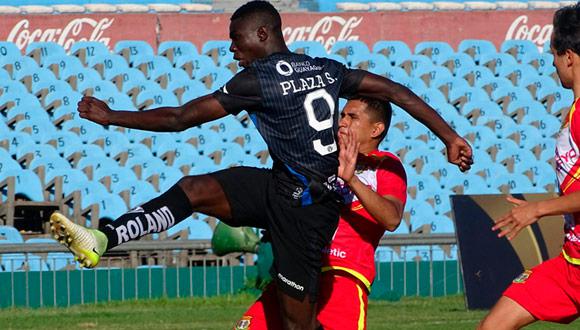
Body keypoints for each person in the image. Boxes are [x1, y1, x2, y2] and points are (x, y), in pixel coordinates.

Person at [50, 1, 472, 329]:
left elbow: (181, 119)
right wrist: (449, 137)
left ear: (263, 34)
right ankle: (104, 237)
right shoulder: (325, 69)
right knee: (195, 189)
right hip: (279, 187)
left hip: (306, 215)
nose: (232, 49)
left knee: (296, 324)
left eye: (237, 40)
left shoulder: (259, 79)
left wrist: (113, 116)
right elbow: (396, 90)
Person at [235, 96, 407, 330]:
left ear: (376, 129)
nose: (342, 122)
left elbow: (392, 218)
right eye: (342, 115)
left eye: (352, 117)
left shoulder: (387, 166)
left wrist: (352, 179)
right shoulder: (322, 157)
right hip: (297, 269)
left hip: (343, 275)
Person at [478, 4, 580, 329]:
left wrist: (536, 210)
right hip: (570, 265)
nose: (552, 64)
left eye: (553, 54)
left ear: (568, 56)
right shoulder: (573, 113)